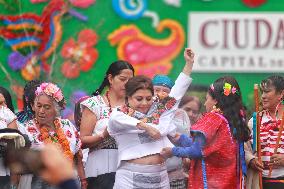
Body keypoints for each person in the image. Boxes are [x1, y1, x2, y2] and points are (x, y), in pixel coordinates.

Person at [107, 48, 194, 189]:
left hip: (160, 178)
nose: (144, 103)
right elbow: (114, 121)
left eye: (148, 98)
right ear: (128, 98)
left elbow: (178, 91)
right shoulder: (121, 114)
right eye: (139, 99)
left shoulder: (160, 110)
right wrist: (145, 126)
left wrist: (189, 64)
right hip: (129, 180)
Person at [161, 76, 251, 189]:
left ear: (216, 100)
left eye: (206, 99)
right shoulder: (232, 120)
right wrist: (181, 139)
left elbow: (197, 151)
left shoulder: (213, 119)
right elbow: (209, 147)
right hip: (228, 182)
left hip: (209, 182)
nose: (205, 104)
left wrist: (173, 151)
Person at [80, 60, 134, 189]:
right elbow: (82, 141)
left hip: (129, 168)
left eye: (130, 80)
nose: (127, 84)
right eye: (122, 79)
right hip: (99, 168)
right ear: (110, 78)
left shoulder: (134, 105)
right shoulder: (95, 104)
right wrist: (104, 135)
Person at [20, 82, 83, 189]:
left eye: (47, 107)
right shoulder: (26, 130)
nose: (41, 111)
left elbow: (78, 158)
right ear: (33, 106)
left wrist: (83, 180)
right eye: (38, 106)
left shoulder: (67, 126)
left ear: (56, 109)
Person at [152, 74, 191, 189]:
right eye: (156, 90)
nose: (160, 93)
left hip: (175, 173)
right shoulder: (144, 113)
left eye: (165, 91)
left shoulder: (182, 114)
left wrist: (186, 156)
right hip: (151, 174)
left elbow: (185, 139)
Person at [245, 75, 284, 189]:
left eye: (267, 92)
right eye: (262, 92)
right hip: (258, 182)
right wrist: (251, 160)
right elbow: (243, 147)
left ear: (281, 94)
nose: (263, 96)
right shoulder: (255, 120)